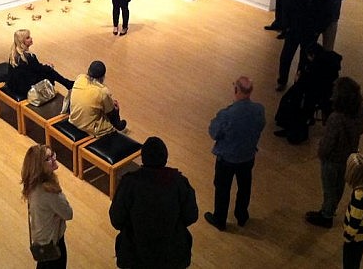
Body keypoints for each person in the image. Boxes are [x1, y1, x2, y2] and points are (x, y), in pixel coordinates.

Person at [109, 137, 199, 269]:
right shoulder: (179, 182)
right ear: (165, 158)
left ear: (143, 159)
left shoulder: (129, 183)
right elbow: (191, 216)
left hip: (135, 254)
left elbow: (116, 220)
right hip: (171, 254)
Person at [205, 76, 265, 231]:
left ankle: (220, 219)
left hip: (227, 159)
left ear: (236, 90)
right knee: (244, 187)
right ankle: (242, 215)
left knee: (222, 188)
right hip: (247, 156)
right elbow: (260, 127)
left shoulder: (227, 115)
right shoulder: (259, 110)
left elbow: (213, 132)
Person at [305, 77, 363, 228]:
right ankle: (331, 209)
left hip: (333, 159)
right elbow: (361, 130)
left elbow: (328, 144)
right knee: (339, 186)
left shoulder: (336, 118)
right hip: (349, 156)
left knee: (329, 187)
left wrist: (321, 154)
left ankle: (326, 214)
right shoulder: (362, 109)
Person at [273, 42, 342, 144]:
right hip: (321, 93)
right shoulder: (329, 62)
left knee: (294, 102)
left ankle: (292, 129)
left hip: (313, 94)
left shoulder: (317, 66)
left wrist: (300, 77)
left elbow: (307, 82)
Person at [276, 0, 332, 91]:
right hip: (294, 31)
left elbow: (327, 16)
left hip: (310, 34)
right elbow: (287, 10)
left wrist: (318, 30)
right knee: (286, 57)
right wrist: (288, 26)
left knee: (304, 60)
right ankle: (282, 81)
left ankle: (298, 83)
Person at [21, 144, 73, 269]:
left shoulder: (33, 185)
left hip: (41, 240)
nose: (54, 158)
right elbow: (68, 213)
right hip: (53, 244)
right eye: (48, 158)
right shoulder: (49, 192)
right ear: (40, 167)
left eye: (52, 154)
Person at [6, 29, 74, 98]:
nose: (31, 38)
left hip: (14, 87)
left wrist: (44, 66)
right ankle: (66, 84)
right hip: (25, 89)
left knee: (46, 69)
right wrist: (48, 67)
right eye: (28, 38)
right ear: (22, 42)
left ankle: (67, 83)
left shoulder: (14, 54)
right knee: (50, 72)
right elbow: (39, 70)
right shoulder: (29, 57)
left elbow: (33, 68)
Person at [69, 60, 128, 137]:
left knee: (100, 104)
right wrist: (116, 111)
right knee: (112, 110)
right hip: (91, 129)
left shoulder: (80, 78)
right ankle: (119, 125)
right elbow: (111, 113)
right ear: (103, 77)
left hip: (73, 120)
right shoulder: (103, 91)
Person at [342, 153, 363, 269]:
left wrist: (347, 236)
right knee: (356, 259)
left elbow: (354, 222)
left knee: (349, 262)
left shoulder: (358, 197)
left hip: (357, 237)